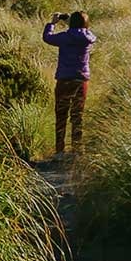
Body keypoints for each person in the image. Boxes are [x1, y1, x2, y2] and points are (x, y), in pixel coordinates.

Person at [41, 9, 98, 157]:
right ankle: (77, 149)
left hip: (65, 79)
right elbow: (85, 32)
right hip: (81, 80)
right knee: (77, 115)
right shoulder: (88, 37)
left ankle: (60, 150)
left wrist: (52, 23)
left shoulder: (65, 37)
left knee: (61, 114)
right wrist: (74, 24)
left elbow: (47, 38)